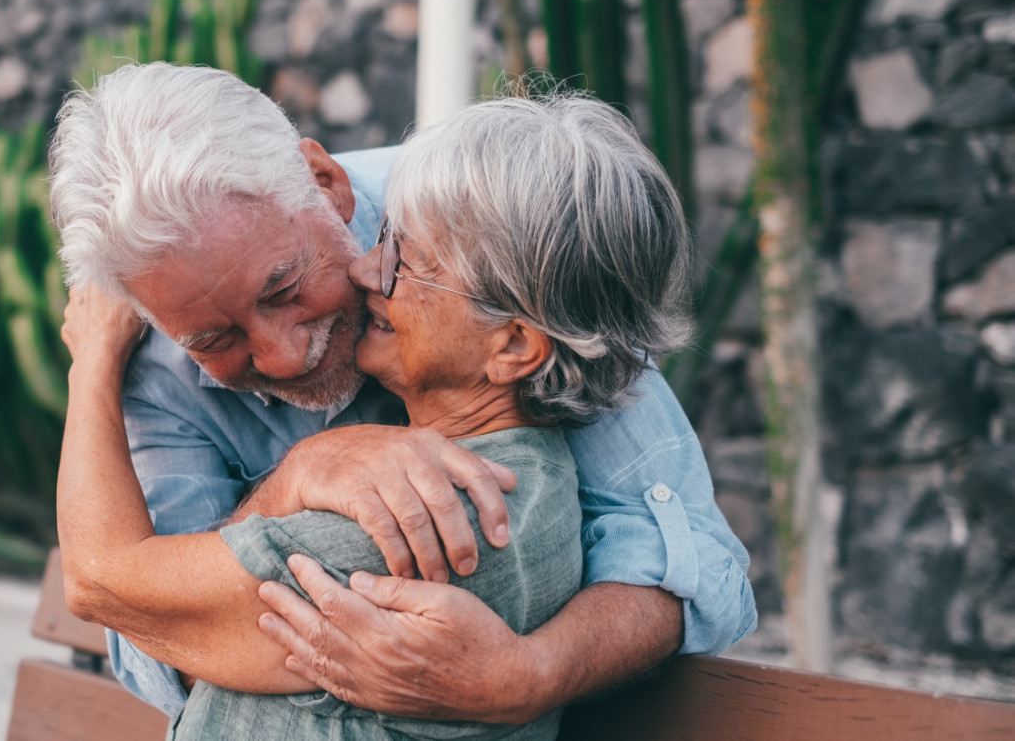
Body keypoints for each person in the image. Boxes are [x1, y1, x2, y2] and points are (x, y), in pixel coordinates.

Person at [49, 63, 757, 727]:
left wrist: (524, 677)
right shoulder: (152, 351)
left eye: (284, 289)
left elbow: (678, 546)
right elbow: (148, 634)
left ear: (325, 183)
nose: (284, 356)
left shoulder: (488, 217)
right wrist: (293, 481)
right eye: (213, 340)